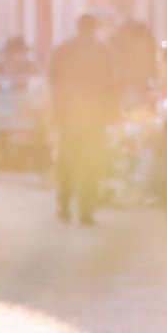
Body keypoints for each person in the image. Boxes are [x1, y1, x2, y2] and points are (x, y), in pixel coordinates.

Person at [48, 14, 121, 225]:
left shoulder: (63, 50)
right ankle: (86, 211)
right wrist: (111, 114)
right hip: (94, 117)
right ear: (94, 28)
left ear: (78, 27)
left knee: (66, 161)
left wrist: (56, 111)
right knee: (91, 163)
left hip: (68, 115)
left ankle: (63, 204)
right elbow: (111, 85)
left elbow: (53, 82)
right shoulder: (104, 52)